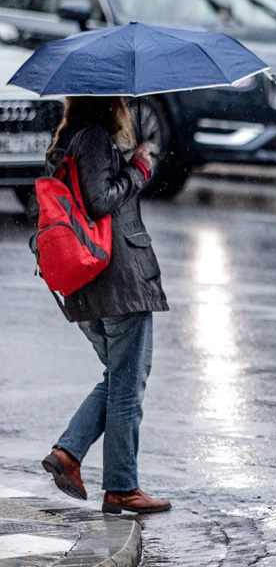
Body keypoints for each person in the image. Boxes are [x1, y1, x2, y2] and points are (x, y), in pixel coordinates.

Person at [37, 96, 171, 514]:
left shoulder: (68, 143)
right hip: (116, 279)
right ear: (108, 103)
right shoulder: (93, 139)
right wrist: (139, 168)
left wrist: (126, 161)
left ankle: (69, 453)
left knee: (118, 377)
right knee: (128, 384)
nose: (127, 107)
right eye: (122, 100)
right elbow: (100, 199)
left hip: (90, 282)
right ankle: (121, 486)